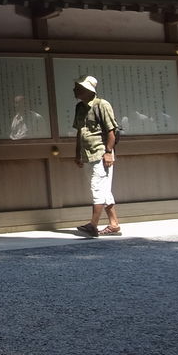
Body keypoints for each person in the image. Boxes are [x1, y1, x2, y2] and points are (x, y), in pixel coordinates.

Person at [72, 75, 121, 237]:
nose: (75, 90)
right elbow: (80, 132)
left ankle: (92, 225)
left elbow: (111, 131)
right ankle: (114, 224)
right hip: (87, 153)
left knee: (97, 188)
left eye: (78, 88)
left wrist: (108, 152)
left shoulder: (102, 105)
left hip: (100, 153)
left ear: (87, 90)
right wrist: (77, 153)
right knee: (103, 189)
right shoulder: (79, 107)